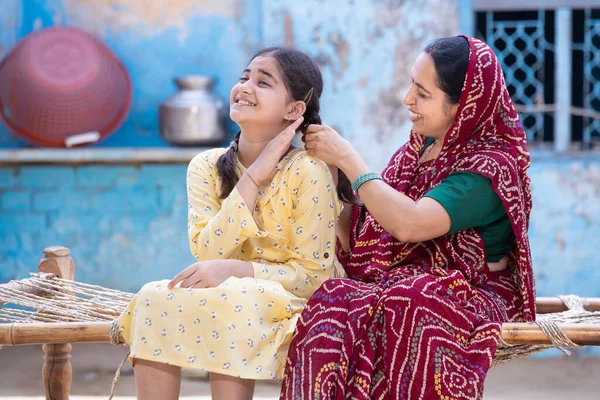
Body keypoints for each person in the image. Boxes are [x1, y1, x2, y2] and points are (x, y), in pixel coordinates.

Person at [281, 36, 535, 400]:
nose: (407, 99)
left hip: (476, 294)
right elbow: (368, 238)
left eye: (423, 92)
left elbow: (408, 224)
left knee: (409, 301)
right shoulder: (419, 150)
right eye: (411, 85)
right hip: (407, 282)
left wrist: (349, 160)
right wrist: (332, 176)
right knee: (334, 297)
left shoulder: (490, 168)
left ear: (464, 105)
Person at [116, 46, 355, 400]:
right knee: (154, 296)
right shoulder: (205, 167)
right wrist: (254, 177)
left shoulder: (309, 170)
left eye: (263, 81)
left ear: (294, 110)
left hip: (297, 298)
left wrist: (239, 271)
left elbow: (313, 278)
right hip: (234, 290)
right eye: (244, 77)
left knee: (236, 296)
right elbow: (207, 252)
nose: (245, 87)